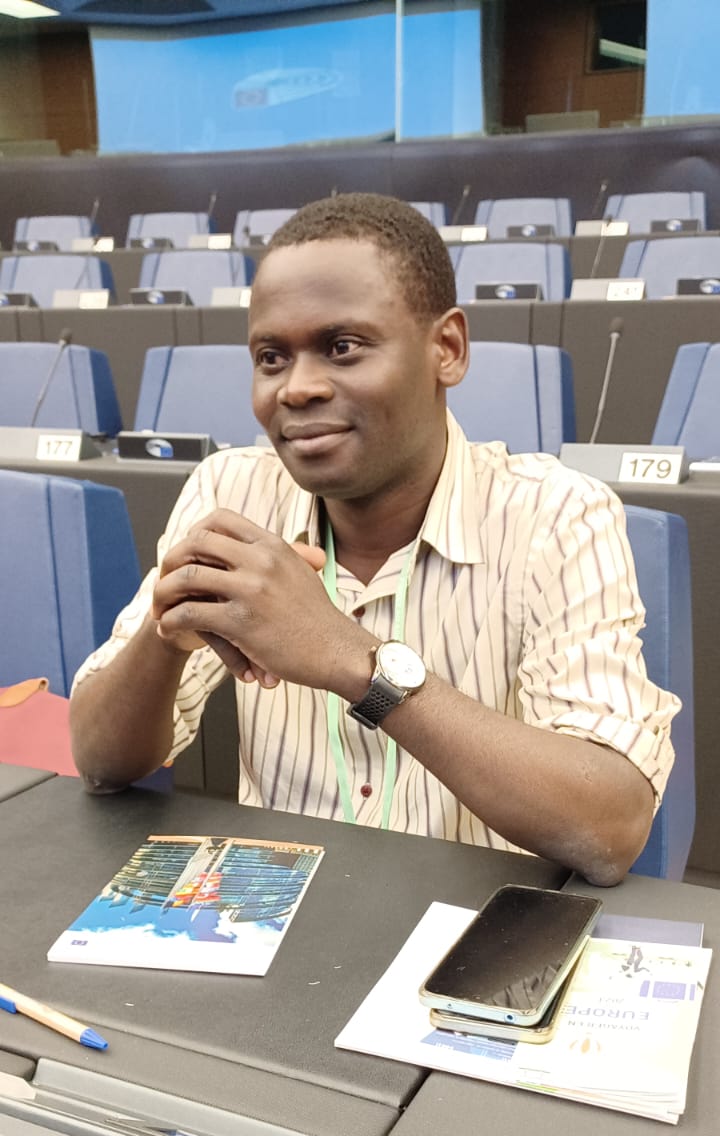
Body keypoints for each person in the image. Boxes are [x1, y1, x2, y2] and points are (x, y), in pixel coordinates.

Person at [70, 193, 678, 886]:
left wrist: (355, 662)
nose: (296, 389)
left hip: (475, 921)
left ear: (447, 349)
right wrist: (163, 637)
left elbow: (610, 829)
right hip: (268, 908)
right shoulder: (230, 492)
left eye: (342, 347)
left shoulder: (557, 514)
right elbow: (100, 761)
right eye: (271, 357)